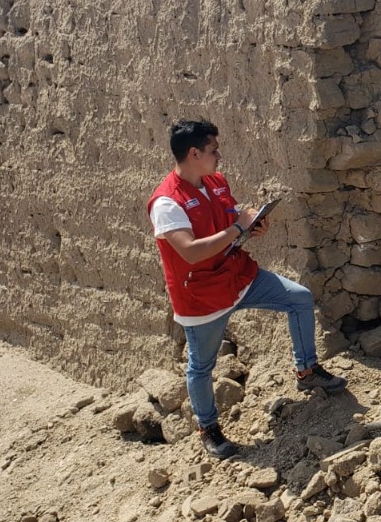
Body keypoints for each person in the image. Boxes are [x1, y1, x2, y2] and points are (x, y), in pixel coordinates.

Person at [148, 120, 346, 459]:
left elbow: (230, 220)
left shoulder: (215, 182)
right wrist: (237, 227)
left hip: (237, 277)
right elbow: (192, 251)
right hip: (202, 297)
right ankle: (209, 429)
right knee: (201, 366)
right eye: (213, 150)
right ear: (194, 153)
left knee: (298, 298)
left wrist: (251, 227)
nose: (219, 156)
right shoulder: (167, 203)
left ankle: (307, 371)